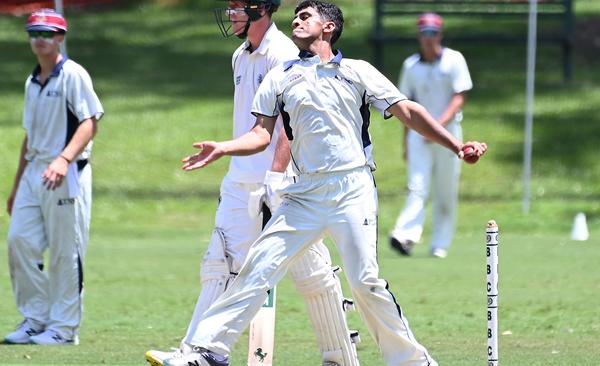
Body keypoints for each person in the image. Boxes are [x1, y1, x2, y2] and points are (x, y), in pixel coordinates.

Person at [167, 1, 486, 365]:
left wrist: (457, 145)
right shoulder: (280, 76)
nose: (296, 21)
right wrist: (224, 148)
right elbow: (260, 134)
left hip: (352, 189)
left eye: (306, 16)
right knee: (259, 265)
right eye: (296, 16)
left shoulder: (357, 70)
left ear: (329, 27)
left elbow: (407, 111)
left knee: (365, 283)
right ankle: (209, 351)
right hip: (304, 194)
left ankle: (413, 362)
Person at [145, 1, 359, 365]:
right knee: (220, 263)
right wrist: (227, 151)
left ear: (261, 8)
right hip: (241, 179)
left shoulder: (284, 54)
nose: (231, 15)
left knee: (313, 276)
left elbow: (291, 124)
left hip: (281, 184)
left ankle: (341, 358)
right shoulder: (240, 57)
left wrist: (276, 177)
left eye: (237, 7)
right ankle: (197, 353)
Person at [4, 9, 103, 345]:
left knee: (65, 251)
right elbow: (29, 137)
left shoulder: (73, 74)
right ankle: (35, 319)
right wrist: (16, 186)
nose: (40, 39)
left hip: (67, 172)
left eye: (47, 33)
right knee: (19, 241)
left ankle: (63, 329)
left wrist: (63, 159)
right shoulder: (32, 81)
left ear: (60, 37)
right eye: (34, 33)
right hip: (34, 172)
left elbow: (90, 122)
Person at [389, 13, 473, 258]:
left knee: (445, 191)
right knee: (417, 187)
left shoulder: (454, 60)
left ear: (440, 35)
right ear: (419, 36)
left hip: (449, 136)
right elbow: (404, 104)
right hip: (418, 136)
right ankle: (404, 235)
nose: (429, 38)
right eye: (424, 33)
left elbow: (460, 96)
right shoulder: (411, 66)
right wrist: (406, 140)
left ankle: (440, 243)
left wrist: (437, 125)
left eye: (433, 33)